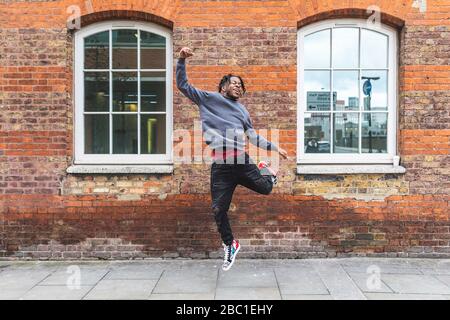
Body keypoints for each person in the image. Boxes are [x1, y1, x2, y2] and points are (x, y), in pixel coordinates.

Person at [176, 47, 288, 271]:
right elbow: (183, 86)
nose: (239, 87)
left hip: (241, 160)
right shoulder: (208, 99)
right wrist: (181, 60)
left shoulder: (243, 111)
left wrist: (275, 148)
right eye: (235, 83)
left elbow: (252, 136)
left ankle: (267, 171)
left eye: (241, 85)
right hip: (221, 165)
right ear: (223, 86)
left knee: (266, 188)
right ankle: (230, 244)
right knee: (218, 209)